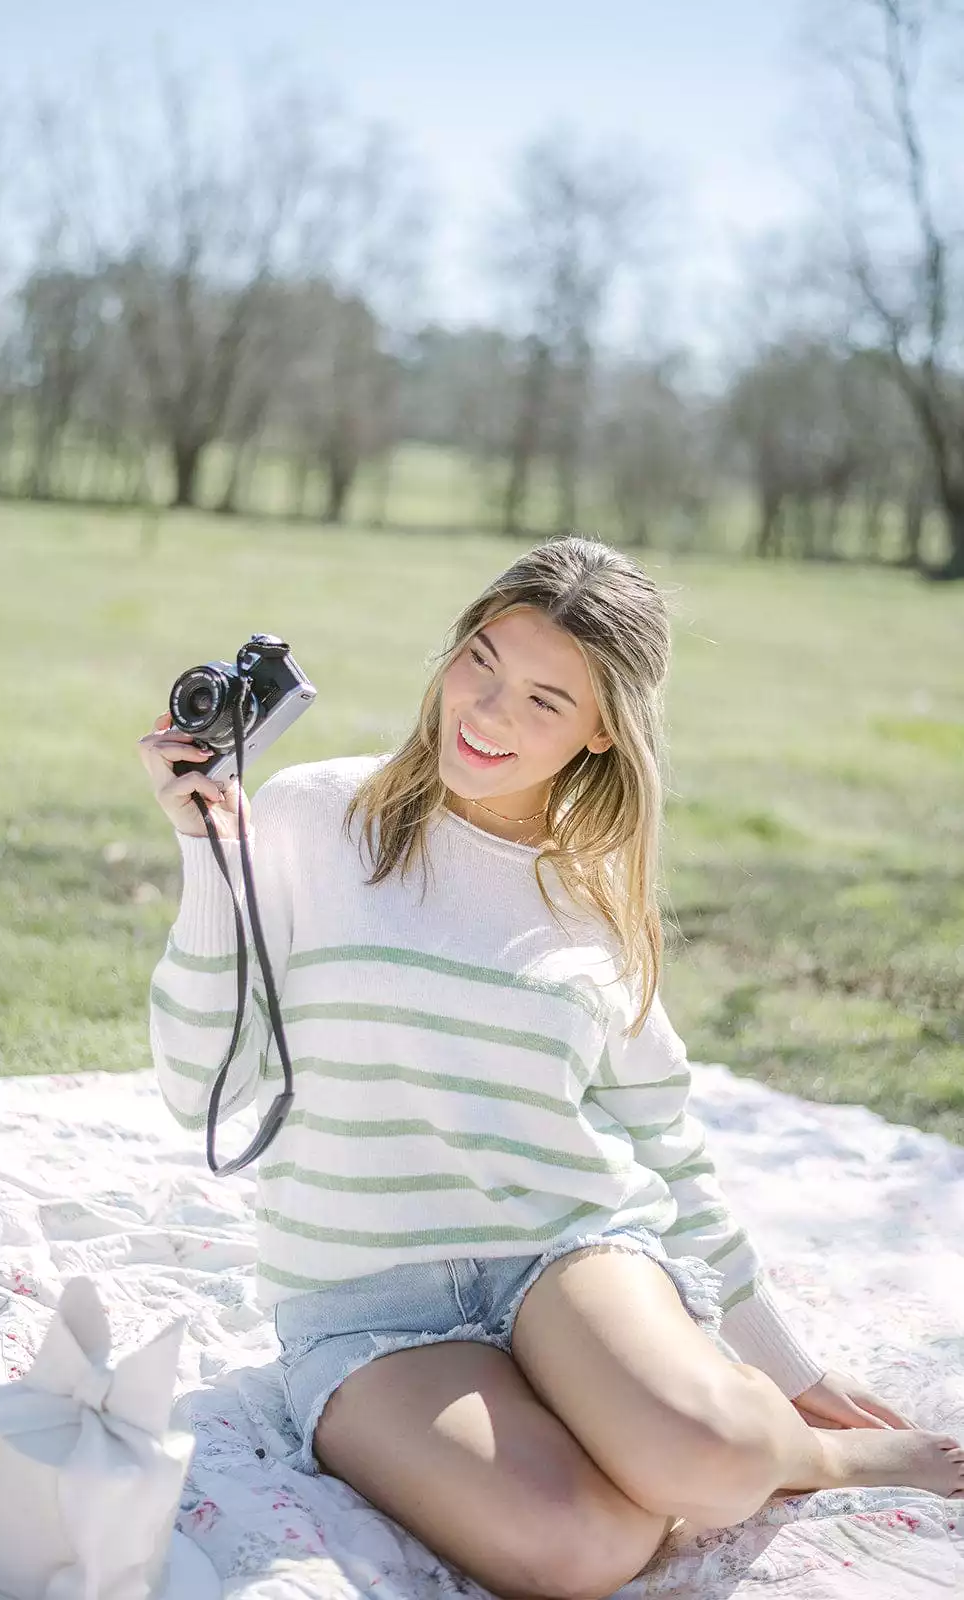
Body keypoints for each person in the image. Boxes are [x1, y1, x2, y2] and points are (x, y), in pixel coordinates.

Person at [138, 537, 963, 1600]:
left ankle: (811, 1458)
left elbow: (667, 1139)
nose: (485, 715)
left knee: (716, 1460)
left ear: (603, 732)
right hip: (362, 1302)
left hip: (563, 1257)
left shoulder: (595, 897)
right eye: (480, 661)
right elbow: (196, 1085)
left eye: (543, 700)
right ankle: (625, 1423)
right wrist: (209, 854)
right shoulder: (306, 817)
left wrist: (795, 1378)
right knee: (579, 1546)